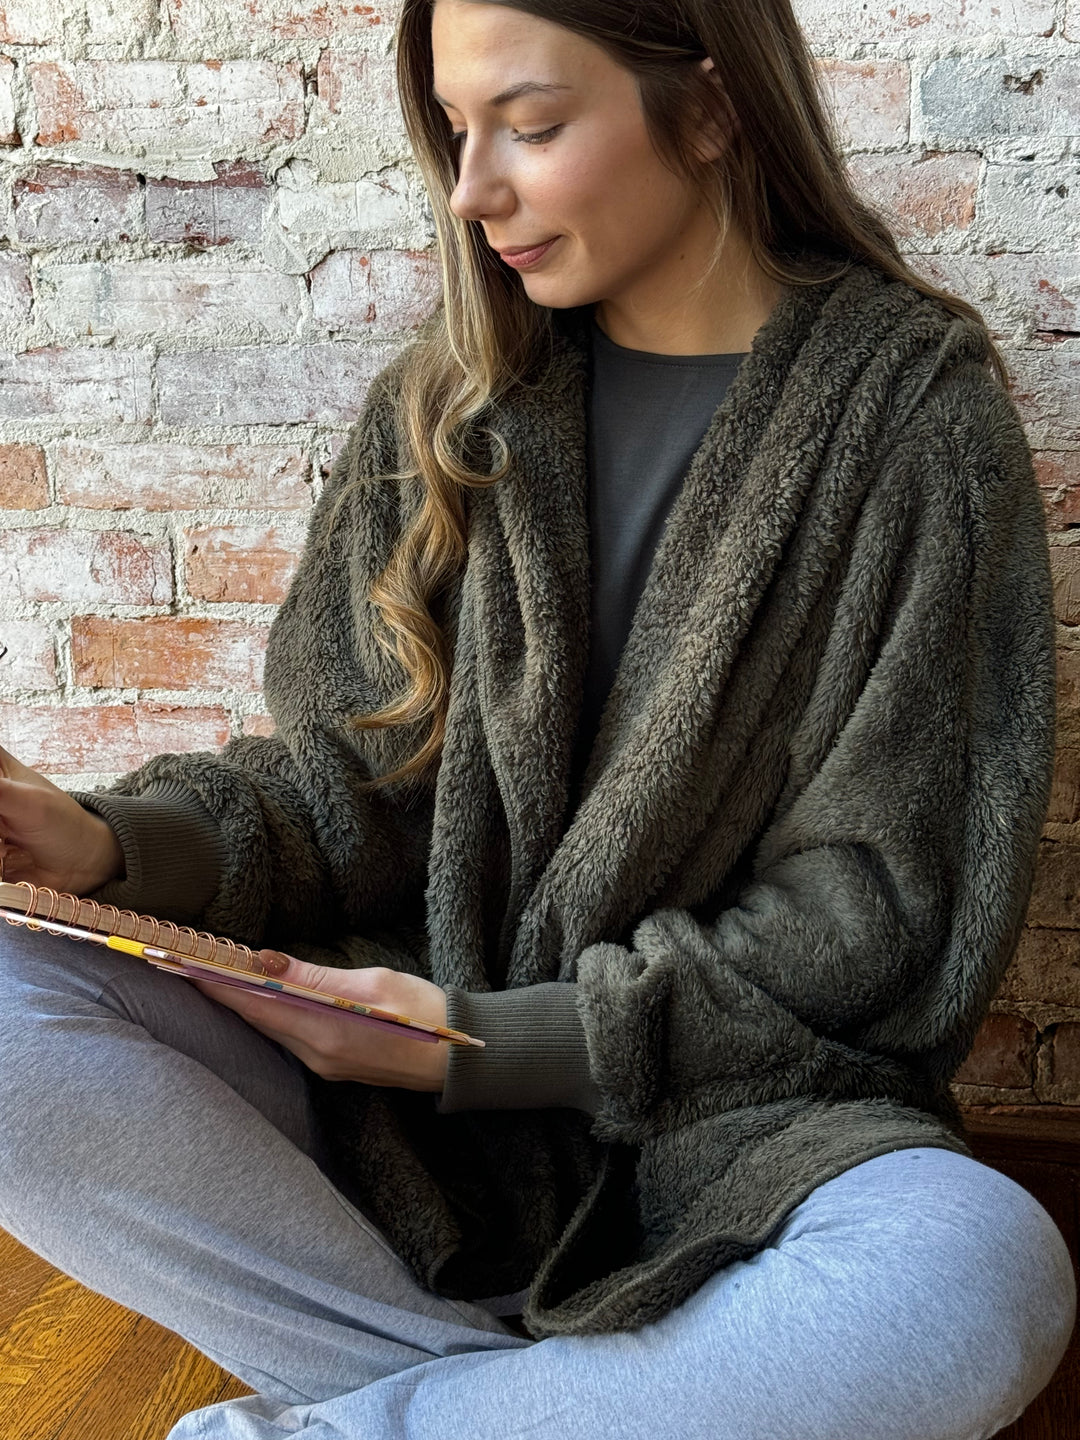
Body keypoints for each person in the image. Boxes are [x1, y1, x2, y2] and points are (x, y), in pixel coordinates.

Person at [0, 0, 1075, 1435]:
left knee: (974, 1277)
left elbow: (880, 910)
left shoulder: (912, 420)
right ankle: (575, 1407)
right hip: (394, 1103)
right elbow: (358, 780)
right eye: (456, 131)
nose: (472, 188)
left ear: (704, 108)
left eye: (533, 124)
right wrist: (105, 845)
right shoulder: (445, 403)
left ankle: (394, 1412)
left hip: (735, 1117)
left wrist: (499, 1041)